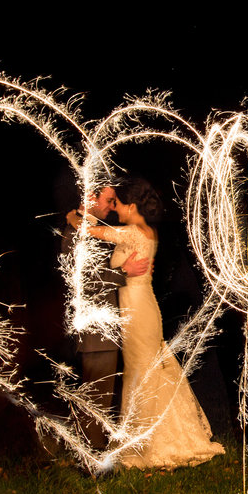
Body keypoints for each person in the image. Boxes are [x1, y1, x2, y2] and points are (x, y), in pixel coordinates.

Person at [67, 178, 225, 468]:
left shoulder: (130, 233)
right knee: (146, 370)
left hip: (136, 311)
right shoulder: (146, 231)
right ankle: (154, 436)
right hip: (142, 307)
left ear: (132, 206)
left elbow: (85, 228)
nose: (115, 209)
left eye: (118, 204)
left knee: (140, 373)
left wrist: (74, 214)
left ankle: (148, 444)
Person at [64, 184, 151, 447]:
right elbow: (86, 279)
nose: (111, 207)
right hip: (96, 329)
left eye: (115, 201)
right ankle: (93, 457)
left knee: (99, 394)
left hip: (103, 326)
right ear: (90, 197)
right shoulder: (77, 232)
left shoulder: (85, 227)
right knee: (96, 396)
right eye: (109, 200)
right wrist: (123, 271)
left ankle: (95, 451)